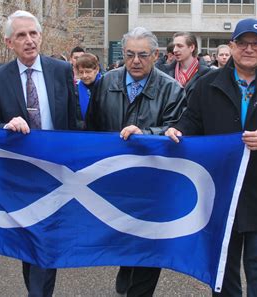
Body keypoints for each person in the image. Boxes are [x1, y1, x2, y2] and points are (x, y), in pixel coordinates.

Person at [165, 18, 257, 296]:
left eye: (256, 43)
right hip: (220, 191)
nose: (249, 49)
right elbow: (191, 120)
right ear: (232, 46)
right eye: (242, 43)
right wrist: (177, 129)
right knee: (223, 267)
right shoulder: (208, 85)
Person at [0, 10, 77, 297]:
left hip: (56, 172)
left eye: (33, 33)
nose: (29, 40)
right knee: (29, 241)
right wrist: (5, 126)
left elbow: (73, 121)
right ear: (9, 42)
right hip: (20, 176)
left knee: (48, 239)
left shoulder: (61, 71)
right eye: (21, 35)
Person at [85, 27, 186, 297]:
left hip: (153, 181)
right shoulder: (106, 83)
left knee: (148, 241)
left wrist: (147, 135)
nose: (136, 61)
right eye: (129, 54)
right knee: (123, 233)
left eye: (142, 55)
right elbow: (92, 127)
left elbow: (176, 129)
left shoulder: (172, 89)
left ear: (155, 55)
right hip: (113, 178)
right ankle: (126, 265)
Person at [162, 32, 211, 97]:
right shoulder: (165, 72)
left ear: (192, 47)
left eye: (180, 46)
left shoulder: (207, 74)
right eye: (174, 46)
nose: (175, 50)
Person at [75, 53, 101, 129]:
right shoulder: (75, 90)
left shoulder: (106, 87)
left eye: (88, 71)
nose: (84, 76)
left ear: (96, 70)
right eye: (81, 72)